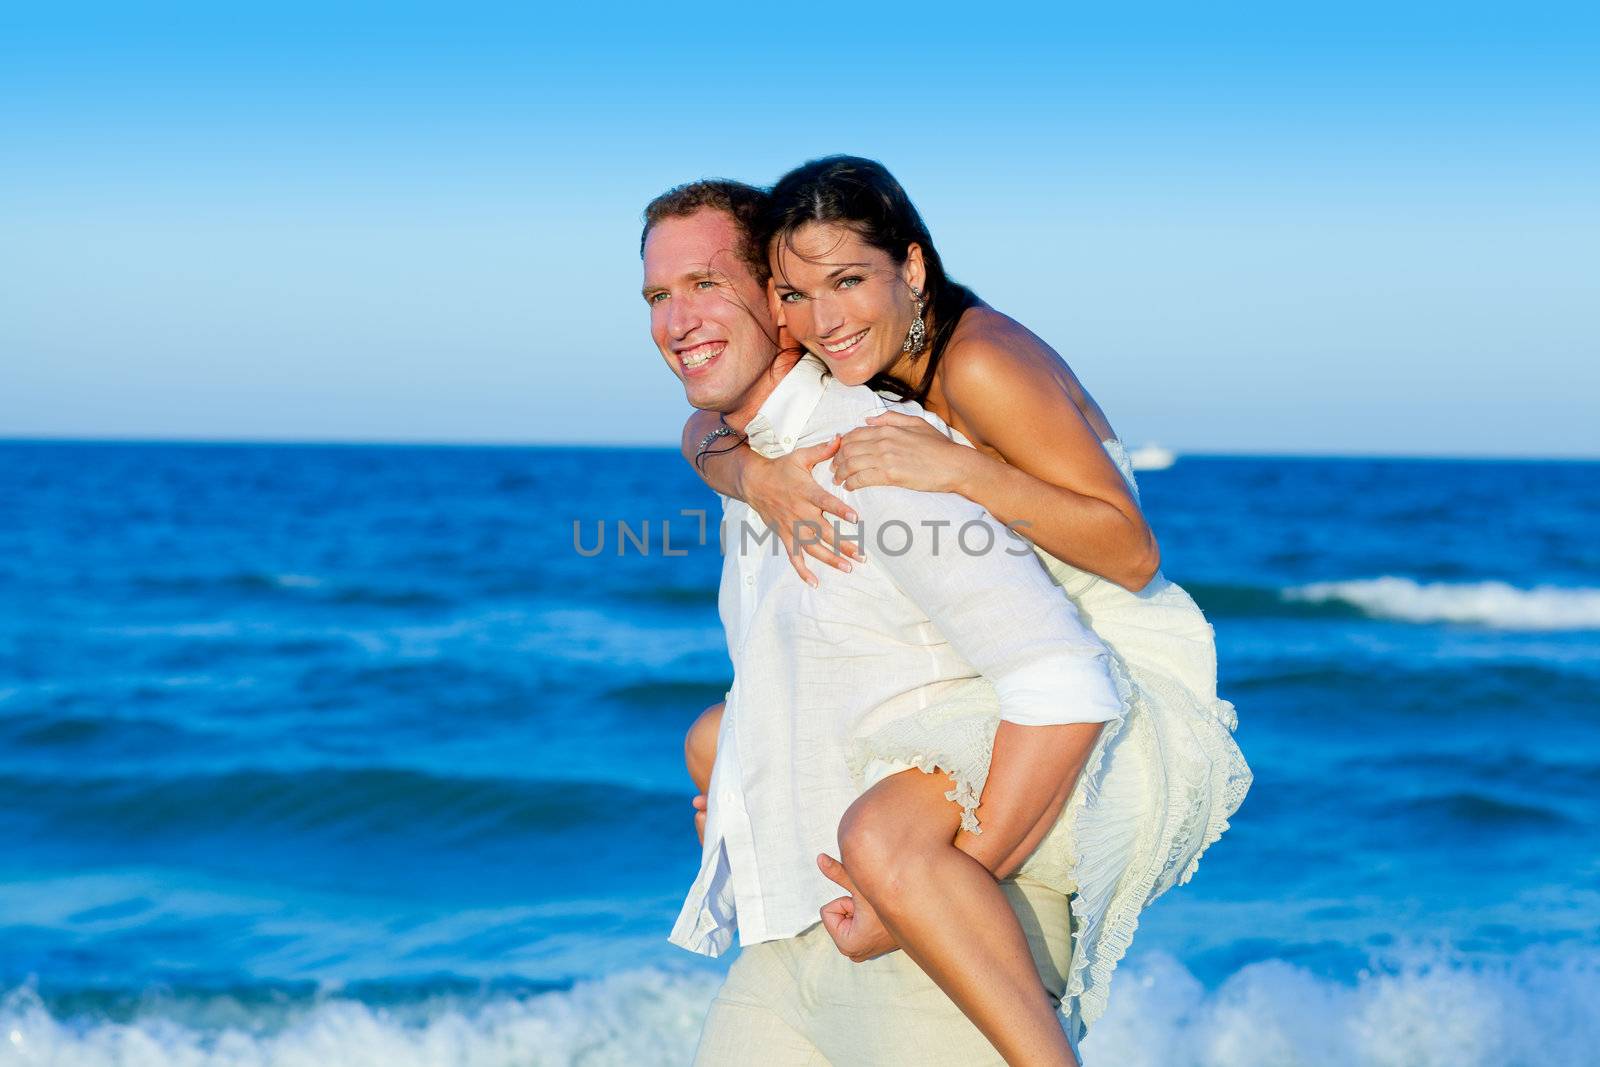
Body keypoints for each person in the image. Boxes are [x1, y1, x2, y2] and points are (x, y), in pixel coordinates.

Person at [679, 156, 1252, 1054]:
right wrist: (746, 470)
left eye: (848, 281)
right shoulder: (873, 366)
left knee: (887, 839)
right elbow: (704, 427)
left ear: (911, 267)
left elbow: (1134, 550)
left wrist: (964, 471)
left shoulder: (977, 361)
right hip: (1015, 647)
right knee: (716, 735)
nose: (824, 320)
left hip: (1108, 647)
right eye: (796, 293)